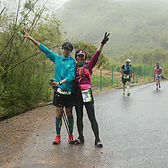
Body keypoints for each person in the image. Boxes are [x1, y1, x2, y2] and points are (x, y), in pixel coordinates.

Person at [23, 30, 75, 144]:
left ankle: (71, 135)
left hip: (68, 91)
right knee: (58, 113)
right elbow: (44, 49)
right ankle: (58, 136)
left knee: (69, 113)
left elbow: (71, 76)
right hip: (58, 91)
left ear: (70, 51)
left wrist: (59, 83)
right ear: (62, 49)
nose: (66, 51)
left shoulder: (72, 62)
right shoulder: (57, 58)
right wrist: (31, 39)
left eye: (68, 49)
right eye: (64, 49)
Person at [73, 32, 110, 147]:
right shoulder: (73, 68)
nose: (80, 57)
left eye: (82, 56)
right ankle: (81, 137)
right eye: (78, 56)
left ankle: (97, 139)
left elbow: (96, 55)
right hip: (77, 93)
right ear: (76, 57)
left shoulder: (88, 65)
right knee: (79, 116)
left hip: (86, 92)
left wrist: (101, 44)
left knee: (91, 116)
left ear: (84, 57)